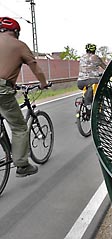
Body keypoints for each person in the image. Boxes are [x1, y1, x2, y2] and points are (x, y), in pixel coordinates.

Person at [0, 17, 48, 177]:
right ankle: (22, 165)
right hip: (1, 89)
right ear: (15, 31)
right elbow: (36, 68)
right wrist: (43, 83)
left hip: (6, 87)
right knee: (19, 127)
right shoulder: (19, 45)